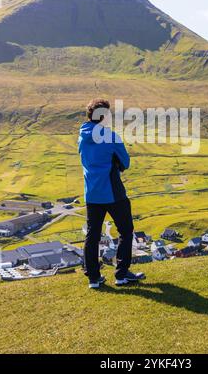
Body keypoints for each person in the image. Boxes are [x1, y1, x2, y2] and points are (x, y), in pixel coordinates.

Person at [78, 98, 145, 289]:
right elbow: (125, 162)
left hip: (91, 193)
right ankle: (121, 275)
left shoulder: (82, 136)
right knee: (125, 230)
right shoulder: (111, 137)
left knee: (92, 235)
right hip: (113, 192)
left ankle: (93, 278)